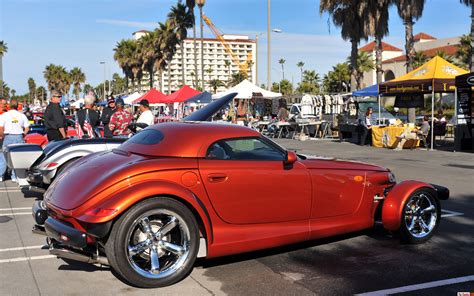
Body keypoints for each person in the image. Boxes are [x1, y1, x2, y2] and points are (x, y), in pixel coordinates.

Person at [0, 99, 30, 181]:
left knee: (4, 157)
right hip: (19, 137)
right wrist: (23, 134)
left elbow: (1, 128)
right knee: (17, 158)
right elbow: (27, 127)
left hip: (8, 137)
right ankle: (15, 176)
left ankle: (1, 175)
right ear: (17, 106)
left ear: (9, 106)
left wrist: (2, 136)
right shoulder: (22, 115)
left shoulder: (4, 115)